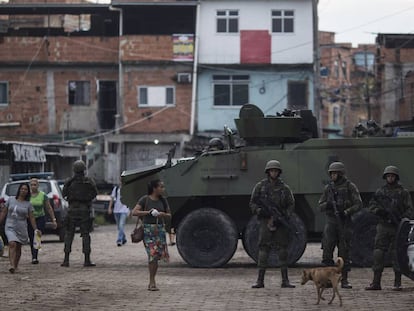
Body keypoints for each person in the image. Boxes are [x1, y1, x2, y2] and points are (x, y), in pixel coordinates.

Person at [365, 165, 414, 291]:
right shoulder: (380, 192)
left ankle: (397, 282)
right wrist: (380, 212)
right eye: (388, 176)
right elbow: (371, 206)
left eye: (392, 176)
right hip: (383, 226)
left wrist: (401, 219)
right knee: (378, 253)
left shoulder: (403, 192)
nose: (390, 178)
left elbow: (409, 210)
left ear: (396, 177)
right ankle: (376, 282)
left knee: (397, 254)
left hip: (397, 227)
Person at [250, 160, 296, 289]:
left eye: (276, 171)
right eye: (272, 170)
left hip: (280, 223)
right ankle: (260, 280)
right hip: (265, 221)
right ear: (268, 172)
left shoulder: (284, 188)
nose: (274, 173)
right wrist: (260, 211)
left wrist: (284, 216)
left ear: (279, 172)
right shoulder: (260, 186)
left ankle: (285, 280)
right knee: (264, 249)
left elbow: (291, 204)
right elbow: (253, 202)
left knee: (282, 250)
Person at [318, 161, 362, 289]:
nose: (333, 176)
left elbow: (358, 204)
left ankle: (344, 280)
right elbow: (320, 205)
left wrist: (346, 212)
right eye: (331, 173)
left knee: (344, 252)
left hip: (344, 222)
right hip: (331, 223)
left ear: (341, 174)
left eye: (335, 173)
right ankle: (327, 280)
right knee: (327, 252)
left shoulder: (350, 187)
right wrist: (329, 205)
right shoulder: (328, 188)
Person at [132, 179, 171, 291]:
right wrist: (148, 212)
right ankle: (152, 281)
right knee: (152, 255)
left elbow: (169, 215)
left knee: (157, 256)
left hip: (159, 230)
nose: (163, 189)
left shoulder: (163, 201)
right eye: (161, 187)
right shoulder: (145, 199)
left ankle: (152, 278)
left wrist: (163, 214)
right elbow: (134, 212)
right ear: (154, 188)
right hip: (148, 231)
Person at [61, 160, 98, 267]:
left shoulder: (69, 182)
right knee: (86, 234)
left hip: (72, 209)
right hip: (84, 210)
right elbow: (95, 193)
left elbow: (64, 194)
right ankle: (87, 260)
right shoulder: (89, 181)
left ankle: (66, 259)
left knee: (69, 234)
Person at [0, 183, 41, 273]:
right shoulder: (10, 200)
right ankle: (11, 265)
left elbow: (32, 218)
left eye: (25, 189)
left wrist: (35, 229)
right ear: (19, 190)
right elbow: (4, 212)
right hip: (10, 225)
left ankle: (15, 265)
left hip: (21, 227)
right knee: (12, 243)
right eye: (22, 189)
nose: (23, 191)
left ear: (27, 192)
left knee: (18, 247)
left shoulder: (28, 204)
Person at [28, 178, 57, 264]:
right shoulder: (27, 196)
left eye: (35, 185)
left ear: (38, 186)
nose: (33, 186)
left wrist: (53, 219)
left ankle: (35, 257)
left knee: (37, 235)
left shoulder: (43, 195)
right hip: (29, 218)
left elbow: (48, 207)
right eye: (32, 185)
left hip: (40, 217)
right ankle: (33, 254)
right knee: (31, 236)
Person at [108, 179, 130, 246]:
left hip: (124, 210)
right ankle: (124, 238)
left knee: (121, 225)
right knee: (119, 226)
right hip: (116, 210)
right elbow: (112, 198)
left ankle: (119, 240)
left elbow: (130, 200)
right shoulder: (116, 188)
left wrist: (130, 211)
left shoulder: (128, 189)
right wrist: (109, 208)